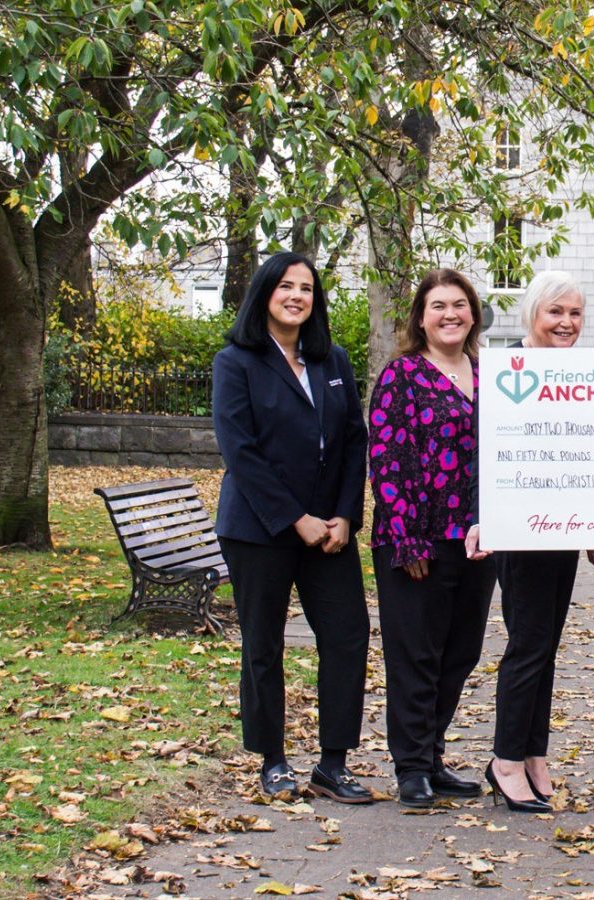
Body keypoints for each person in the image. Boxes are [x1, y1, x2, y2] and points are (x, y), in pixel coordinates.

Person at [211, 251, 373, 804]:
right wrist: (293, 519)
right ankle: (272, 759)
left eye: (306, 288)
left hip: (330, 531)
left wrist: (346, 515)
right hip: (259, 530)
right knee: (264, 644)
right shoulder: (236, 362)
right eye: (286, 286)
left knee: (348, 637)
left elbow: (355, 440)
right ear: (264, 294)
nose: (297, 296)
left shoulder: (333, 361)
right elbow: (242, 451)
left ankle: (333, 762)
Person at [368, 268, 496, 809]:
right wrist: (408, 540)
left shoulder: (492, 373)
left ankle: (435, 755)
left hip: (480, 542)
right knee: (415, 656)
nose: (451, 314)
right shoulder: (401, 376)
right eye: (439, 305)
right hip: (417, 541)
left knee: (459, 654)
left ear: (473, 314)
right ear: (421, 317)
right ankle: (412, 767)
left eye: (460, 304)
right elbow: (388, 461)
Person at [484, 271, 586, 813]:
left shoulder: (580, 370)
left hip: (563, 527)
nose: (566, 323)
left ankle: (534, 753)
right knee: (526, 643)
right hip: (521, 527)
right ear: (532, 316)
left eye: (574, 314)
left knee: (546, 644)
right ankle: (504, 759)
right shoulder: (509, 369)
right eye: (556, 313)